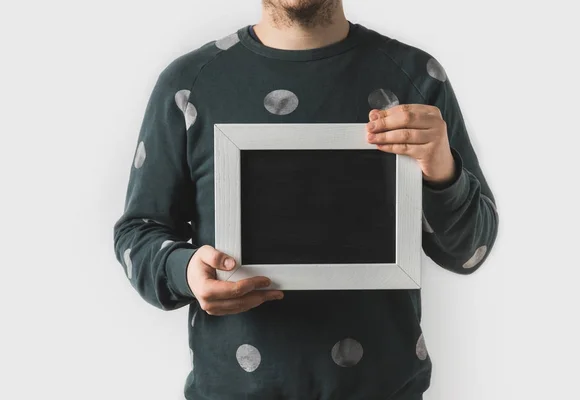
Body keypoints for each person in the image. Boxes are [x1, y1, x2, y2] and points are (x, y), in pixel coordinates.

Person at [112, 0, 499, 398]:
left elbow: (470, 251)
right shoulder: (189, 84)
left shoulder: (416, 79)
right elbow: (138, 234)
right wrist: (187, 270)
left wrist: (443, 171)